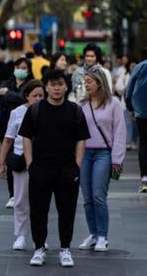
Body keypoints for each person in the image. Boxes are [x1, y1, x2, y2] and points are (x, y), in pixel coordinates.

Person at [19, 69, 90, 267]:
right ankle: (39, 247)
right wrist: (30, 163)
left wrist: (77, 164)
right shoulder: (36, 110)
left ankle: (65, 249)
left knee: (67, 211)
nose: (56, 88)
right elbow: (26, 137)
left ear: (66, 86)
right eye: (52, 84)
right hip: (40, 167)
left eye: (60, 84)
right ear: (46, 87)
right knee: (38, 211)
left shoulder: (75, 110)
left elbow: (81, 139)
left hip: (67, 168)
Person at [77, 67, 126, 252]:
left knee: (99, 196)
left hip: (104, 154)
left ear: (99, 82)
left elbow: (120, 133)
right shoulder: (81, 104)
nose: (86, 85)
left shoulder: (114, 103)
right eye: (85, 81)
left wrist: (117, 160)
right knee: (87, 198)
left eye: (89, 81)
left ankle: (103, 236)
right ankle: (93, 233)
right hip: (84, 154)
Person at [0, 80, 44, 251]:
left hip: (42, 160)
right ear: (27, 96)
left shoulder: (47, 111)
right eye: (35, 96)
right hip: (21, 160)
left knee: (40, 201)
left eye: (41, 95)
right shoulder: (17, 112)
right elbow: (8, 139)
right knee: (20, 200)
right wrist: (2, 163)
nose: (38, 99)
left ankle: (39, 236)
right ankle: (21, 235)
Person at [0, 57, 33, 207]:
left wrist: (8, 94)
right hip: (8, 127)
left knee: (29, 160)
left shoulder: (31, 86)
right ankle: (13, 194)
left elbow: (25, 101)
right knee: (12, 161)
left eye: (24, 68)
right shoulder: (6, 84)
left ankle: (29, 191)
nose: (21, 70)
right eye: (19, 67)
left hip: (28, 127)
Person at [124, 58, 147, 193]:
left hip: (142, 111)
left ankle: (145, 178)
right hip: (141, 111)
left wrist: (131, 107)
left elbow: (129, 89)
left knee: (144, 143)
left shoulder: (140, 66)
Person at [115, 58, 138, 151]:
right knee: (128, 123)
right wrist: (126, 88)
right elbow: (118, 88)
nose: (133, 68)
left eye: (135, 66)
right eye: (132, 66)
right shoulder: (124, 75)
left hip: (137, 104)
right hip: (126, 103)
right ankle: (128, 142)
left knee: (135, 124)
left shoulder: (140, 76)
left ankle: (133, 142)